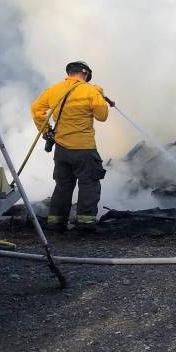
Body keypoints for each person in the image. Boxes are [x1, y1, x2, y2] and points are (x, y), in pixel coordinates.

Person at [30, 61, 115, 231]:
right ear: (85, 74)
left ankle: (56, 223)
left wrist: (46, 131)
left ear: (69, 73)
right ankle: (85, 224)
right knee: (89, 184)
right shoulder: (91, 90)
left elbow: (36, 108)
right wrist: (99, 94)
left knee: (63, 186)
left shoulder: (54, 90)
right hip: (84, 148)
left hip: (61, 149)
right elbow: (102, 115)